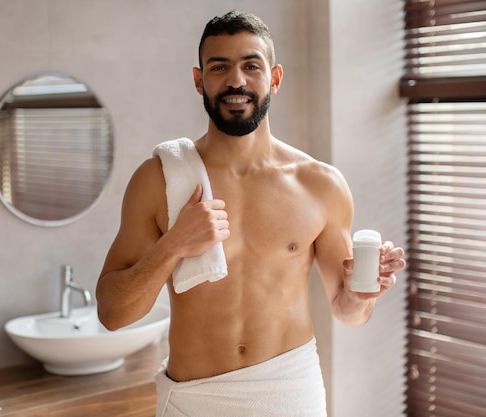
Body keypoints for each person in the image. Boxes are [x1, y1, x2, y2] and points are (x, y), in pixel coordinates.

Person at [96, 10, 406, 417]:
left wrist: (362, 294)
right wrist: (173, 245)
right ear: (198, 80)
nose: (236, 81)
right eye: (219, 66)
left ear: (274, 78)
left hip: (290, 393)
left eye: (251, 65)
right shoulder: (158, 181)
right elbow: (112, 315)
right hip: (194, 400)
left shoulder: (321, 185)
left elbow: (348, 312)